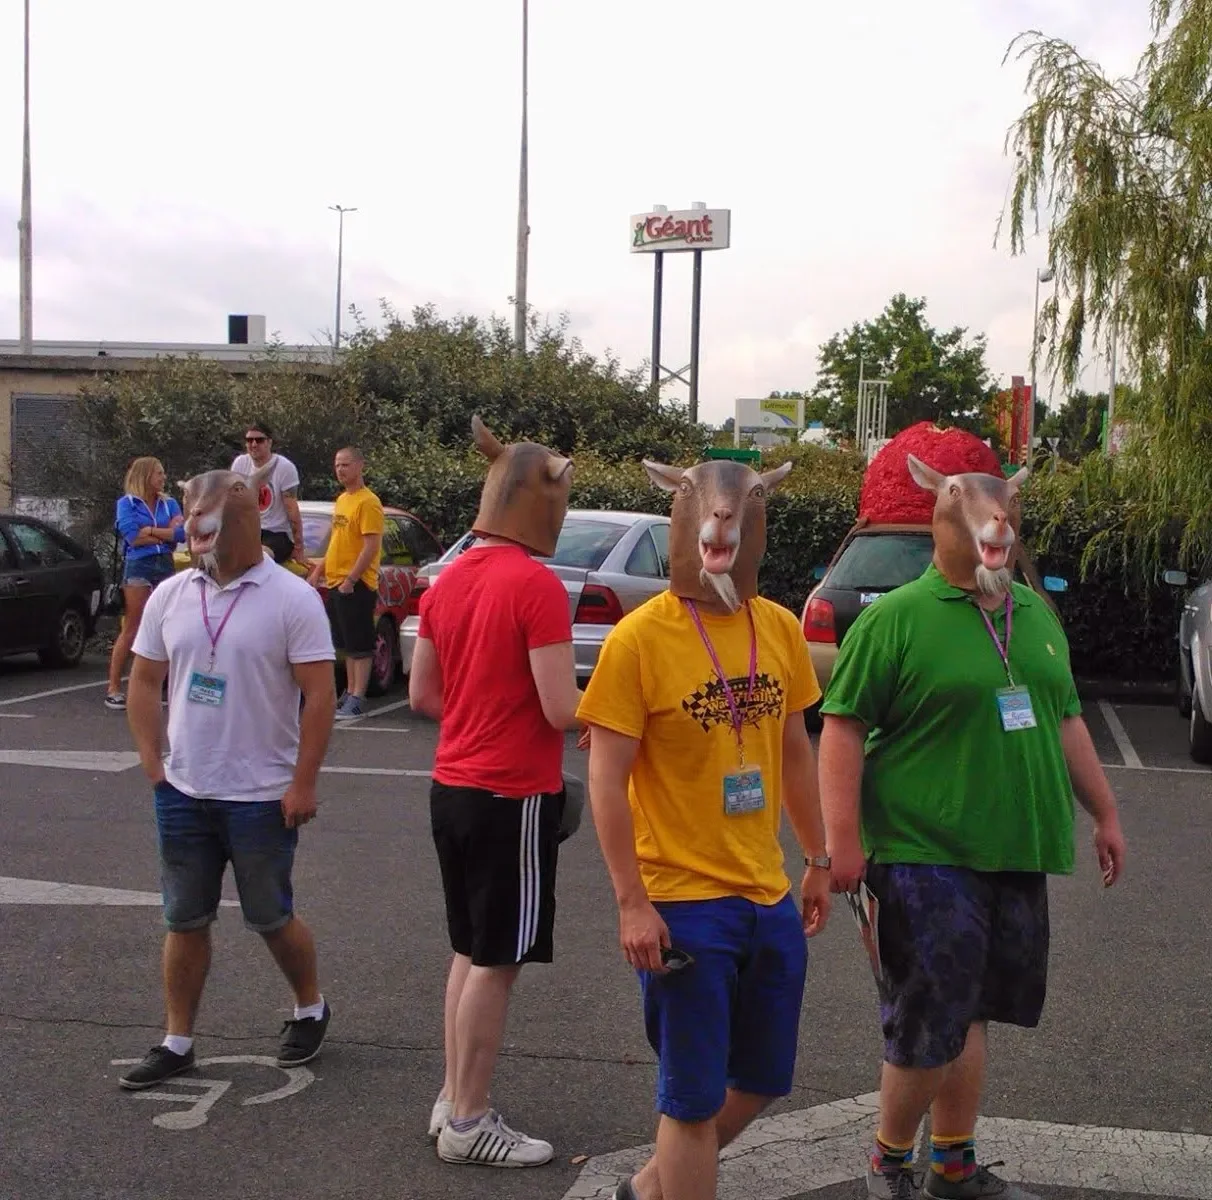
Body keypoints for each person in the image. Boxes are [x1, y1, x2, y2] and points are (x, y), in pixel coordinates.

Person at [818, 453, 1127, 1200]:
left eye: (1006, 517)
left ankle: (952, 1166)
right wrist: (843, 845)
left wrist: (1106, 813)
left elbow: (1064, 716)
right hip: (925, 852)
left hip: (1014, 850)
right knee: (928, 1022)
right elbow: (842, 728)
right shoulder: (897, 619)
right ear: (942, 520)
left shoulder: (1033, 616)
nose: (998, 527)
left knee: (972, 1014)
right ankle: (888, 1163)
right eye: (981, 515)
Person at [576, 453, 833, 1200]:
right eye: (706, 507)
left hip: (766, 894)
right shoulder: (639, 639)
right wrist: (632, 901)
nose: (721, 521)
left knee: (759, 1081)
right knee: (689, 1100)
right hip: (682, 903)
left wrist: (817, 858)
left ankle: (646, 1190)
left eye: (740, 508)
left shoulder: (779, 628)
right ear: (683, 516)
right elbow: (606, 779)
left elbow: (792, 750)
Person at [118, 460, 338, 1091]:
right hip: (184, 790)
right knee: (183, 918)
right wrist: (152, 760)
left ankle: (309, 1007)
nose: (192, 534)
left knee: (271, 915)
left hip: (262, 795)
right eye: (189, 522)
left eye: (204, 523)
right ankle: (176, 1039)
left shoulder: (292, 597)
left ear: (241, 521)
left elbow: (319, 697)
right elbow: (144, 679)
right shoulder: (171, 595)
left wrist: (303, 782)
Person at [409, 416, 581, 1168]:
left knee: (469, 949)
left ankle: (454, 1097)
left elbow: (422, 695)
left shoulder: (449, 582)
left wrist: (482, 716)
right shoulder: (535, 585)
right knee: (497, 959)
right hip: (513, 795)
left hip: (452, 786)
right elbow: (561, 708)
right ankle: (471, 1117)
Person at [308, 446, 383, 720]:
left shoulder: (368, 502)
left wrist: (352, 578)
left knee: (360, 644)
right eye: (337, 465)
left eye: (346, 465)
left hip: (357, 584)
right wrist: (320, 571)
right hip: (336, 582)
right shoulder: (342, 500)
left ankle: (358, 696)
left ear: (360, 466)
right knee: (347, 644)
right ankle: (349, 692)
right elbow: (337, 542)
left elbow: (371, 545)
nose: (340, 470)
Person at [105, 456, 186, 711]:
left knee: (168, 623)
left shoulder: (169, 503)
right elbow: (132, 537)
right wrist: (163, 534)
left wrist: (149, 531)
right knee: (133, 624)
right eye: (159, 474)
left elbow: (181, 534)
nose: (163, 478)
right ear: (145, 476)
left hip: (165, 563)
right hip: (139, 565)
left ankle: (166, 686)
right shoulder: (126, 503)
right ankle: (114, 687)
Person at [230, 420, 306, 565]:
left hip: (277, 533)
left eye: (259, 440)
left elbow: (292, 509)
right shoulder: (240, 463)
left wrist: (299, 547)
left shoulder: (284, 467)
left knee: (259, 559)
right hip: (249, 530)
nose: (253, 444)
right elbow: (233, 502)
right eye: (249, 440)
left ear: (269, 442)